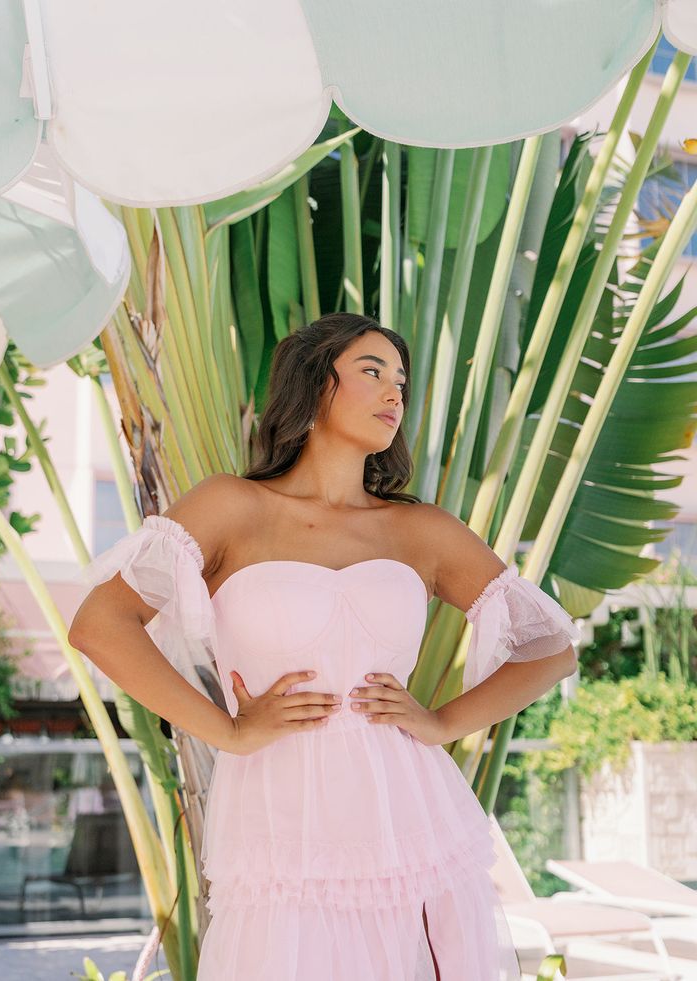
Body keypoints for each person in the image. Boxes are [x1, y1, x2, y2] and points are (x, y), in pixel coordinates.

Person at [69, 312, 581, 980]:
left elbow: (552, 646)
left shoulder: (417, 528)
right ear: (315, 384)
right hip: (281, 821)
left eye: (401, 379)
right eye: (373, 372)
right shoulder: (233, 507)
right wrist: (226, 730)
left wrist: (441, 721)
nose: (395, 392)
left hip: (406, 819)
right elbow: (99, 624)